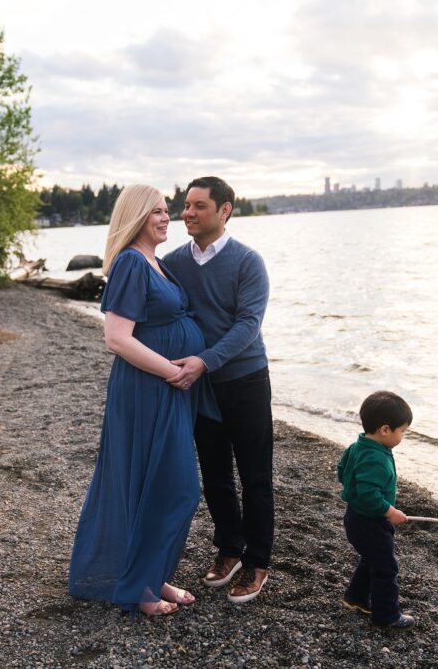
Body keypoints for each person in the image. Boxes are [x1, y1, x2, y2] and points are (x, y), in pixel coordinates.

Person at [68, 184, 218, 617]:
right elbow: (116, 338)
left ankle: (151, 578)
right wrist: (174, 371)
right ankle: (139, 587)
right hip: (149, 390)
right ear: (135, 216)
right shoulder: (133, 262)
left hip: (167, 390)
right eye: (156, 211)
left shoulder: (157, 262)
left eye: (167, 210)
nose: (166, 217)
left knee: (153, 486)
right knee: (176, 489)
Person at [162, 176, 273, 603]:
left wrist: (205, 359)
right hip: (200, 387)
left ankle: (258, 562)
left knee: (256, 477)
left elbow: (249, 325)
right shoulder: (173, 262)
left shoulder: (248, 262)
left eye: (198, 206)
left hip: (246, 381)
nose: (186, 213)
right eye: (185, 205)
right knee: (215, 476)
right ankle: (230, 549)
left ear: (224, 210)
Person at [336, 390, 417, 629]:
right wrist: (390, 512)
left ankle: (356, 597)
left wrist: (353, 490)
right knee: (386, 568)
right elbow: (370, 495)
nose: (403, 435)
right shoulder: (376, 458)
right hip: (369, 521)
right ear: (385, 430)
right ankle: (387, 615)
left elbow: (342, 470)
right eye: (402, 431)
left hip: (357, 516)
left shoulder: (358, 446)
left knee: (372, 559)